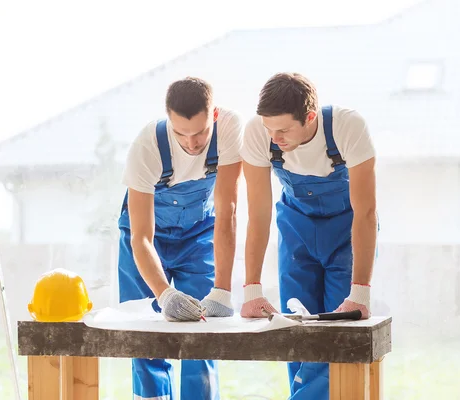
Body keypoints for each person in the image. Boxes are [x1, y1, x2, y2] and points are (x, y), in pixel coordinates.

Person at [239, 72, 378, 399]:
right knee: (296, 336)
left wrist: (361, 291)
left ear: (310, 117)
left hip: (345, 235)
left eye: (284, 130)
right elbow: (258, 215)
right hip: (296, 234)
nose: (275, 138)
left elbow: (366, 212)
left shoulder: (347, 127)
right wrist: (251, 289)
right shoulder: (258, 134)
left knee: (335, 334)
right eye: (268, 128)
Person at [117, 77, 243, 400]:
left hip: (199, 235)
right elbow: (142, 238)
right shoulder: (147, 147)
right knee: (144, 336)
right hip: (146, 238)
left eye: (200, 133)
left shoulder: (230, 131)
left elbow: (227, 211)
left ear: (213, 115)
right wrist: (164, 295)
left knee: (203, 335)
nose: (191, 144)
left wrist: (223, 290)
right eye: (181, 134)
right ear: (168, 120)